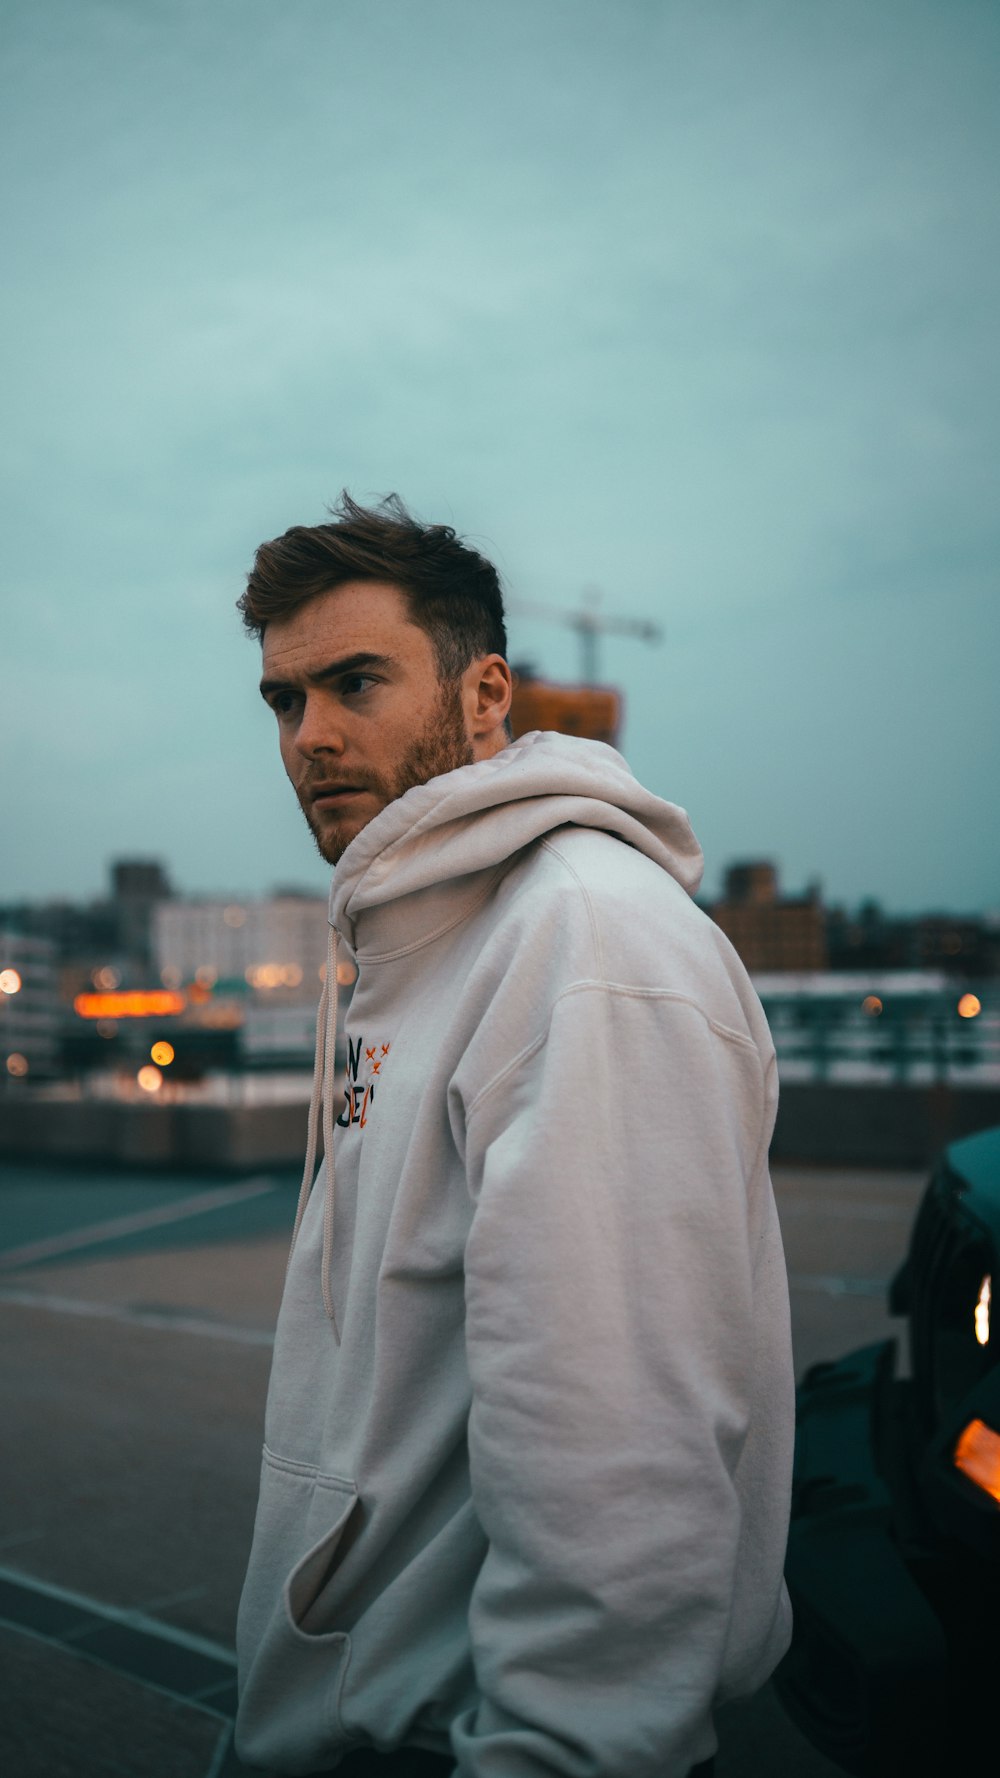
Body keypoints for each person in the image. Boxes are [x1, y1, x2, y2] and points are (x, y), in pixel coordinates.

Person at [234, 493, 794, 1778]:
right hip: (363, 1701)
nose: (311, 737)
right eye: (283, 700)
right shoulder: (416, 938)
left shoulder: (585, 946)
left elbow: (623, 1449)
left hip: (463, 1738)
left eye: (355, 682)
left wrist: (560, 1745)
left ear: (484, 693)